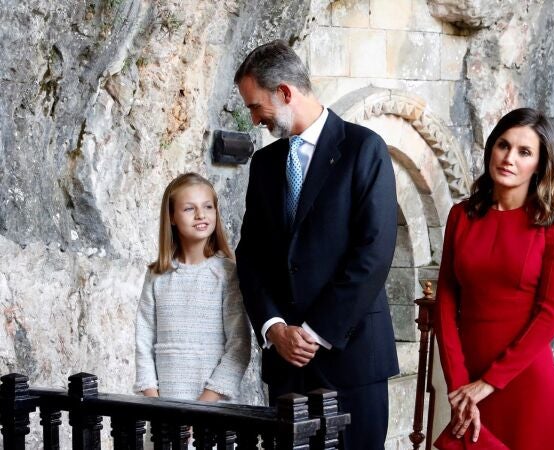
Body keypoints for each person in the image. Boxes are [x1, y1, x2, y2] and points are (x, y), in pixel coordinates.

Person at [233, 41, 398, 449]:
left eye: (256, 106)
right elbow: (250, 256)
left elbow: (374, 252)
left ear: (284, 92)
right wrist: (275, 328)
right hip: (286, 368)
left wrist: (313, 332)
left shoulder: (364, 149)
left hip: (351, 359)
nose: (254, 119)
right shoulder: (264, 165)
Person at [434, 108, 554, 449]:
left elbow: (551, 315)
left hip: (526, 385)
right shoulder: (461, 216)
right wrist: (459, 386)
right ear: (491, 149)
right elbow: (445, 304)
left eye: (524, 152)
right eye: (503, 145)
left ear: (539, 165)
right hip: (466, 382)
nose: (509, 158)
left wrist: (488, 383)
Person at [135, 173, 251, 401]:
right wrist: (153, 404)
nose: (201, 215)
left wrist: (201, 407)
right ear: (171, 217)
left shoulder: (227, 274)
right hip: (164, 410)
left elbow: (239, 346)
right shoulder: (157, 276)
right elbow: (144, 342)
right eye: (189, 208)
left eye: (208, 207)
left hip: (212, 409)